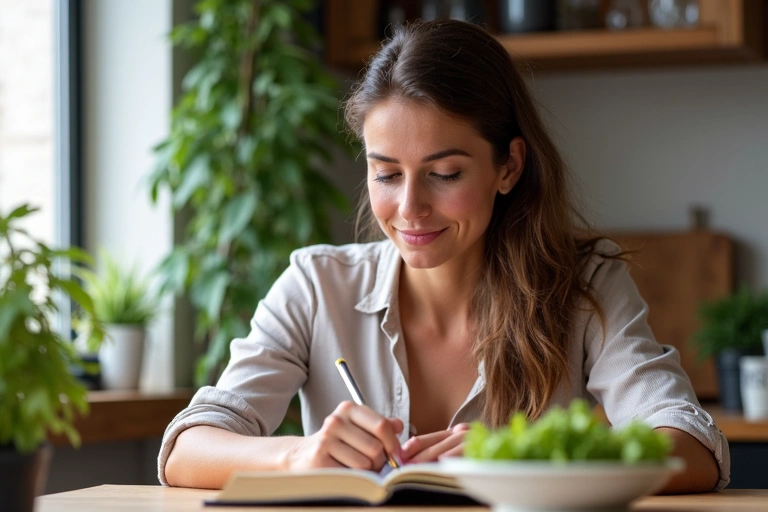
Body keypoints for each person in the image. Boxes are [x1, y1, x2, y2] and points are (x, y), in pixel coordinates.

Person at [159, 19, 728, 493]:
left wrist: (521, 458)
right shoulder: (316, 284)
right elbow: (188, 448)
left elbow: (692, 445)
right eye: (385, 173)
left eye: (445, 174)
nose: (410, 208)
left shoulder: (587, 283)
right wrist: (297, 457)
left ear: (508, 166)